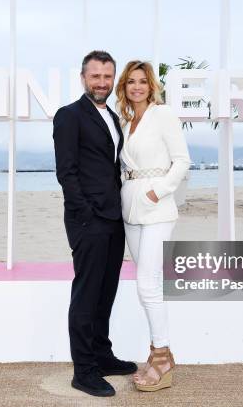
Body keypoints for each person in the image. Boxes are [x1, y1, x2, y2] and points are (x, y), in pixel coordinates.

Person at [52, 50, 137, 398]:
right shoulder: (69, 116)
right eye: (95, 76)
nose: (101, 83)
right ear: (83, 78)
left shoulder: (113, 118)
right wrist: (85, 213)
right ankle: (83, 371)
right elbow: (66, 172)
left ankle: (102, 356)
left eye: (107, 77)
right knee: (87, 295)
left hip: (113, 217)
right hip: (89, 220)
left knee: (106, 292)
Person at [115, 60, 191, 392]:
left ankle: (162, 356)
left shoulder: (163, 115)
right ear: (124, 86)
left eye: (142, 81)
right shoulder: (124, 120)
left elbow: (183, 161)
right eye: (131, 81)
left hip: (158, 206)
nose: (137, 87)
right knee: (144, 284)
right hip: (130, 208)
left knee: (148, 284)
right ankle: (157, 352)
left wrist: (155, 191)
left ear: (151, 86)